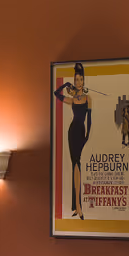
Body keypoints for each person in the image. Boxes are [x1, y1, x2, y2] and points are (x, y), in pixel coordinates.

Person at [53, 63, 92, 218]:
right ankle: (77, 207)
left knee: (77, 164)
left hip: (81, 132)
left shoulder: (87, 98)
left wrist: (87, 137)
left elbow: (90, 121)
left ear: (83, 81)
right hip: (72, 132)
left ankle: (78, 206)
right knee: (75, 164)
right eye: (76, 80)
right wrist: (65, 85)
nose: (78, 82)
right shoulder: (72, 100)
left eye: (80, 79)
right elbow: (56, 93)